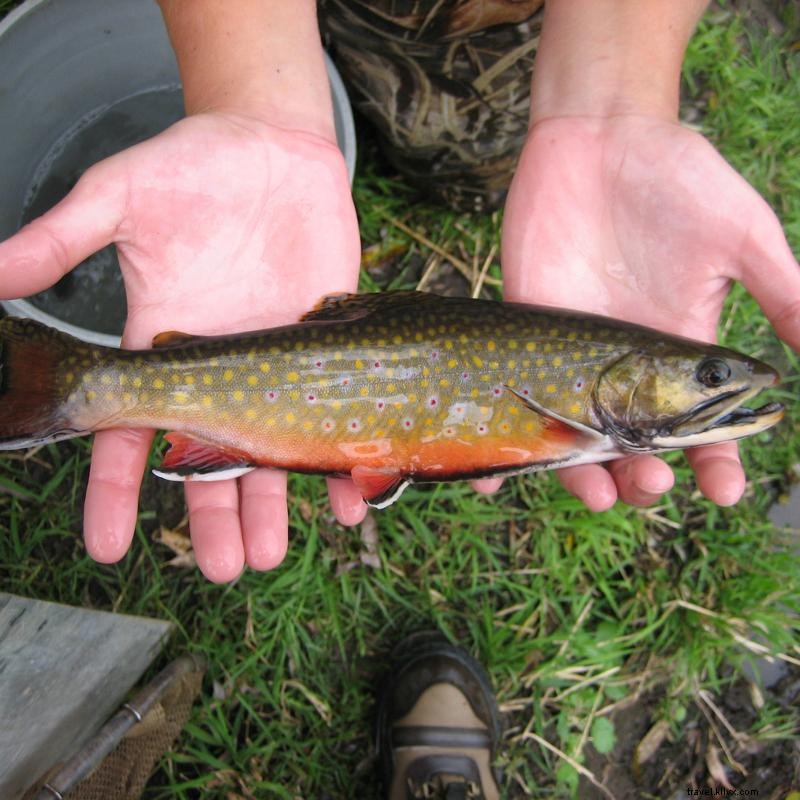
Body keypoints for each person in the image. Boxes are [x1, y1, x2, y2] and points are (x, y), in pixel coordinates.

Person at [0, 2, 796, 791]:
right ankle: (73, 385)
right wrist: (248, 91)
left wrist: (617, 102)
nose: (722, 387)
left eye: (711, 377)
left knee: (450, 136)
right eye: (710, 377)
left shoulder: (591, 398)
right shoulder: (583, 403)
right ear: (633, 371)